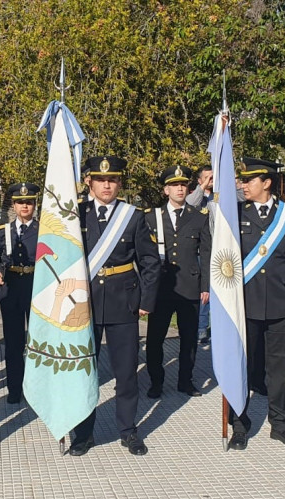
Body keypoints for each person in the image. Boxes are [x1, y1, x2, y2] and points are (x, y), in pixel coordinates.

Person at [69, 156, 160, 457]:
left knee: (126, 371)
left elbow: (149, 261)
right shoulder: (75, 214)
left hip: (124, 300)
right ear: (89, 182)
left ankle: (128, 430)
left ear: (119, 183)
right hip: (84, 303)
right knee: (82, 370)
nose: (106, 184)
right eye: (100, 179)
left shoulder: (133, 216)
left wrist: (146, 300)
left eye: (112, 180)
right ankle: (82, 433)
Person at [227, 158, 285, 451]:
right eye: (242, 180)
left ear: (266, 183)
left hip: (281, 303)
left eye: (249, 180)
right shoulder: (234, 215)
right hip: (244, 305)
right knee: (242, 367)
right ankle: (239, 424)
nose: (243, 185)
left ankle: (280, 423)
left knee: (279, 368)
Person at [144, 165, 210, 398]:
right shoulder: (152, 217)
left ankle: (186, 380)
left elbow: (207, 252)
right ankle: (156, 381)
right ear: (165, 190)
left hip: (189, 286)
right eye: (174, 185)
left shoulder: (199, 217)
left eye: (183, 184)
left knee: (189, 338)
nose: (180, 188)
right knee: (155, 339)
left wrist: (205, 287)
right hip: (161, 288)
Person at [0, 182, 40, 404]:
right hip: (11, 289)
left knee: (38, 342)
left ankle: (38, 388)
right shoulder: (3, 232)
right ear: (14, 204)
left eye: (29, 202)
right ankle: (14, 388)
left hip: (36, 287)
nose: (25, 206)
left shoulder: (43, 231)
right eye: (21, 202)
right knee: (13, 343)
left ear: (34, 205)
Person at [186, 165, 214, 347]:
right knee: (203, 292)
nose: (211, 180)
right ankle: (201, 328)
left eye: (213, 177)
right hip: (200, 251)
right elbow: (190, 203)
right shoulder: (197, 196)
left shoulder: (220, 195)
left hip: (219, 251)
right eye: (206, 177)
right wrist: (203, 186)